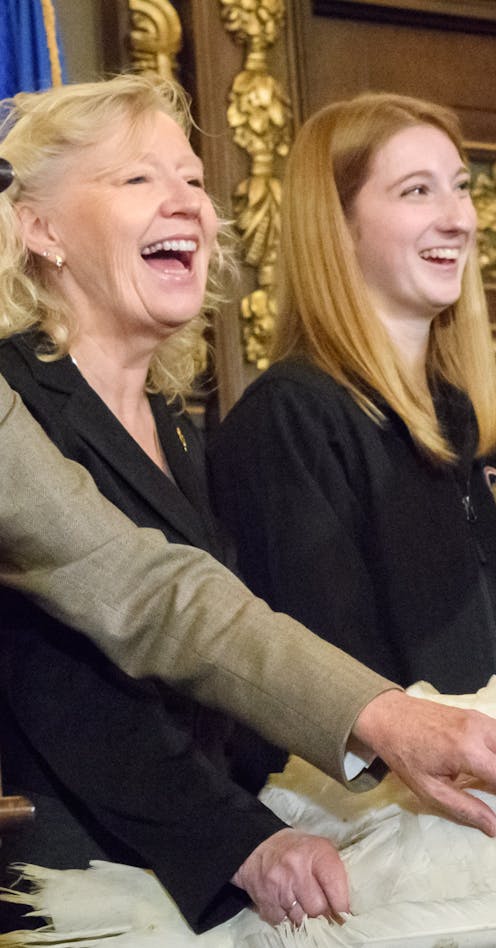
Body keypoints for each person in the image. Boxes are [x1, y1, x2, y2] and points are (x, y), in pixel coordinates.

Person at [0, 74, 344, 932]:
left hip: (189, 880)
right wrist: (243, 841)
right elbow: (63, 685)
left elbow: (217, 653)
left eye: (193, 179)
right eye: (139, 179)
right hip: (66, 888)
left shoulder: (175, 422)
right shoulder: (18, 398)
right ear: (39, 229)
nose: (188, 202)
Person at [209, 93, 496, 699]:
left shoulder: (486, 420)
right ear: (338, 226)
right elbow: (323, 679)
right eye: (417, 191)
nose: (458, 219)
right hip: (380, 791)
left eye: (459, 187)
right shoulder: (292, 419)